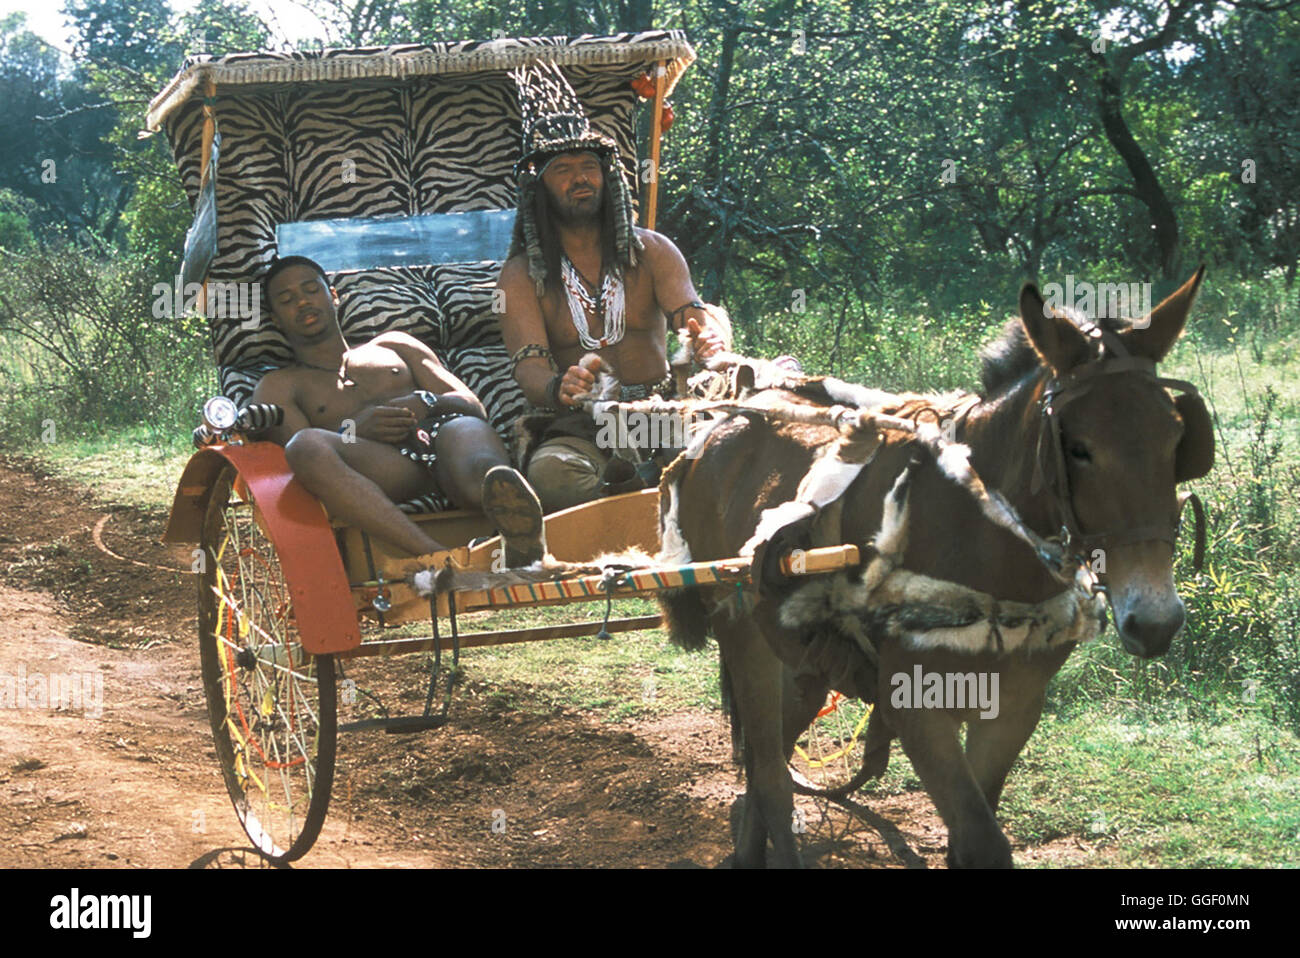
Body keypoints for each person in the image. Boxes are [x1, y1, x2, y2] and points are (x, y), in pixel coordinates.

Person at [495, 61, 732, 513]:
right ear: (539, 189)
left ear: (609, 179)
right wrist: (556, 387)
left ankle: (647, 486)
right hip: (584, 425)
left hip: (665, 412)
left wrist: (711, 338)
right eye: (562, 169)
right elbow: (528, 368)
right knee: (552, 474)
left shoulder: (653, 251)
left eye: (589, 166)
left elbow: (694, 317)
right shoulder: (521, 276)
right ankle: (635, 495)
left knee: (737, 446)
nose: (580, 177)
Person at [249, 254, 546, 567]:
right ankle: (436, 556)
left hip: (446, 436)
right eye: (287, 299)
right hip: (384, 466)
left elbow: (473, 406)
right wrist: (353, 429)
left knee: (470, 439)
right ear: (276, 319)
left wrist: (426, 401)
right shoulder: (280, 385)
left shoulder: (394, 345)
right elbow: (307, 463)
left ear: (333, 295)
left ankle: (517, 524)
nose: (303, 302)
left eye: (311, 290)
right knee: (304, 445)